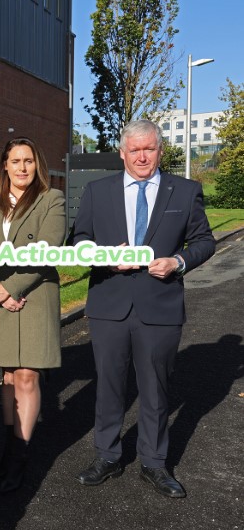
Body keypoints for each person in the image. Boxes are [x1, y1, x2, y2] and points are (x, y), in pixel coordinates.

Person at [72, 120, 215, 498]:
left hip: (160, 305)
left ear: (160, 150)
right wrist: (104, 258)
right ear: (121, 152)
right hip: (109, 303)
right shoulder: (96, 191)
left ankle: (154, 463)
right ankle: (107, 456)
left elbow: (203, 241)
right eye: (133, 149)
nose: (141, 156)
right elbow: (80, 241)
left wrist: (178, 262)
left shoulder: (184, 191)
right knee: (109, 386)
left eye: (148, 149)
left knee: (156, 388)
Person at [0, 137, 66, 493]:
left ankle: (20, 457)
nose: (23, 167)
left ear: (36, 165)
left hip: (34, 296)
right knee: (7, 378)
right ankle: (9, 448)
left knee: (27, 377)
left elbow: (48, 250)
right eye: (15, 161)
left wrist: (12, 289)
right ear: (4, 166)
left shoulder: (51, 199)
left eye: (28, 160)